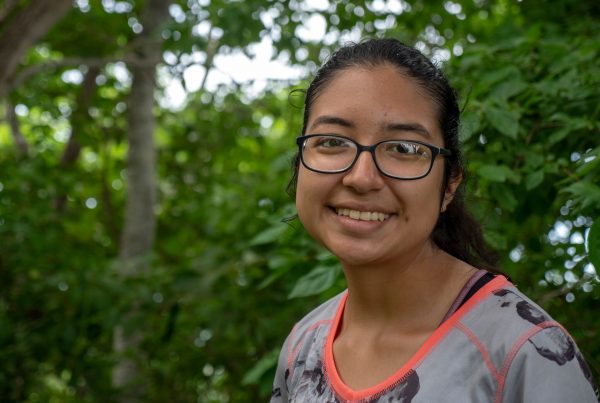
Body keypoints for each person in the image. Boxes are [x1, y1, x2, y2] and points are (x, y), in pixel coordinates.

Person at [269, 38, 599, 402]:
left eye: (404, 148)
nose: (362, 178)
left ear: (449, 183)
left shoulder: (524, 354)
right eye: (332, 142)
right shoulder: (303, 347)